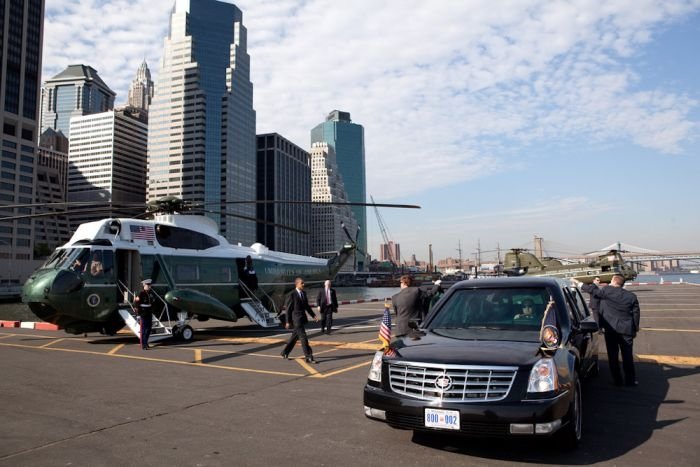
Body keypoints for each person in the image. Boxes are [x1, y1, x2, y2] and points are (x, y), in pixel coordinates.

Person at [575, 274, 640, 386]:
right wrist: (635, 328)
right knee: (628, 356)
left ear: (614, 281)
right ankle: (630, 381)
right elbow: (636, 314)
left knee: (613, 356)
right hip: (626, 330)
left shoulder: (607, 291)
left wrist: (580, 283)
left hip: (611, 330)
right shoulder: (631, 296)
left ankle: (617, 380)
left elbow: (593, 291)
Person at [280, 277, 319, 363]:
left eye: (303, 283)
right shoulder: (292, 294)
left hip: (302, 318)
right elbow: (288, 310)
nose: (303, 284)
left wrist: (313, 315)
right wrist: (287, 321)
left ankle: (285, 352)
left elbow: (307, 307)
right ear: (297, 284)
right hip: (296, 320)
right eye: (302, 283)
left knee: (294, 337)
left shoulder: (304, 293)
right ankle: (309, 357)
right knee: (303, 337)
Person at [134, 279, 156, 350]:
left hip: (149, 312)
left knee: (149, 329)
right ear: (144, 285)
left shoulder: (150, 293)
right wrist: (138, 313)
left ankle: (146, 342)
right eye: (148, 285)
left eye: (150, 285)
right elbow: (136, 303)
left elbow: (152, 302)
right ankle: (143, 344)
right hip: (143, 313)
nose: (149, 286)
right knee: (144, 329)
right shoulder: (140, 293)